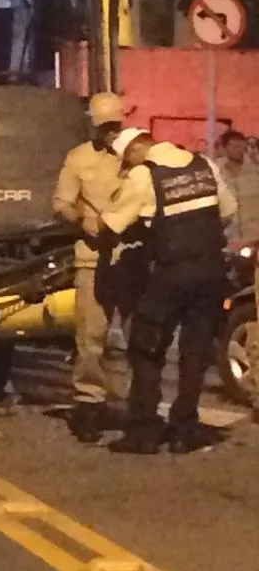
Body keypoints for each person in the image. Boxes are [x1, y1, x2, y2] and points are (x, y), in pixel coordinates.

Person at [93, 128, 237, 454]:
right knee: (196, 351)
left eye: (124, 160)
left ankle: (143, 431)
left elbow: (114, 223)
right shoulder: (204, 165)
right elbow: (227, 212)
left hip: (172, 273)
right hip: (212, 270)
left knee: (146, 347)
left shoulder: (145, 176)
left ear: (135, 150)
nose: (125, 167)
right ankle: (185, 428)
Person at [53, 92, 146, 443]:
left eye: (115, 124)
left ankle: (142, 406)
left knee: (142, 335)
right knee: (91, 338)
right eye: (105, 125)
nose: (111, 132)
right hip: (94, 258)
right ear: (93, 125)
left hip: (135, 257)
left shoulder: (137, 156)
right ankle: (89, 404)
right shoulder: (78, 159)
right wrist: (82, 220)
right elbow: (61, 203)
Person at [213, 129, 259, 244]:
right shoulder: (216, 172)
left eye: (241, 147)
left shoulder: (254, 171)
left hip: (254, 235)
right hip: (229, 236)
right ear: (225, 148)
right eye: (234, 147)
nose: (239, 150)